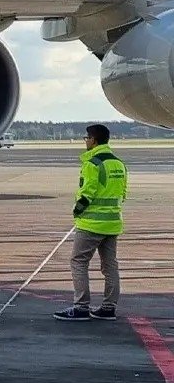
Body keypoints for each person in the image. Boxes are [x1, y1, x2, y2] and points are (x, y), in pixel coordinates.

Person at [56, 124, 128, 321]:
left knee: (78, 262)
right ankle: (108, 307)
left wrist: (76, 211)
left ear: (94, 140)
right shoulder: (119, 163)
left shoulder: (93, 163)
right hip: (112, 223)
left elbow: (87, 193)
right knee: (110, 266)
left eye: (87, 138)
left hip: (91, 224)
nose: (85, 141)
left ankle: (80, 307)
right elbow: (123, 193)